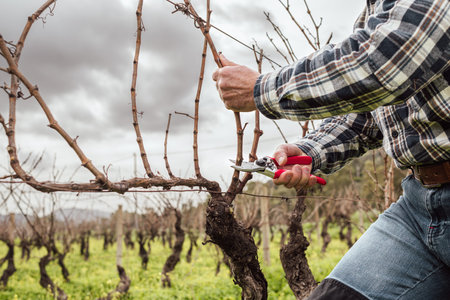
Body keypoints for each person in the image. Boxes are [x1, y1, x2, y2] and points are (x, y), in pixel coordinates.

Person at [212, 0, 449, 299]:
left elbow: (384, 62)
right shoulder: (374, 14)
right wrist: (311, 151)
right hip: (420, 206)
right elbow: (368, 116)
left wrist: (262, 89)